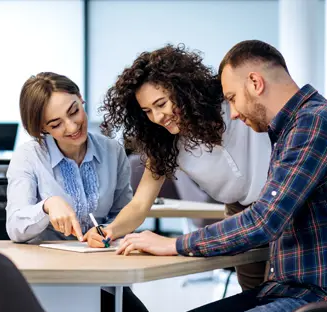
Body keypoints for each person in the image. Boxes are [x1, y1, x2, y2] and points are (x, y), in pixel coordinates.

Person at [115, 40, 327, 312]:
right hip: (292, 287)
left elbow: (265, 220)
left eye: (231, 97)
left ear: (255, 82)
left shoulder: (312, 125)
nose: (232, 113)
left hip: (325, 297)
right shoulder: (292, 127)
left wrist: (175, 244)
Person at [87, 44, 272, 291]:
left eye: (161, 103)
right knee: (254, 297)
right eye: (147, 111)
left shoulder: (232, 105)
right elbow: (140, 204)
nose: (157, 117)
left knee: (286, 296)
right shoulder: (165, 143)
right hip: (238, 214)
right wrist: (107, 231)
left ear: (182, 90)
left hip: (279, 201)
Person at [5, 72, 157, 312]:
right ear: (42, 128)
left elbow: (123, 213)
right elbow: (15, 227)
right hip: (47, 280)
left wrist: (107, 231)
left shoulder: (112, 150)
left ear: (81, 99)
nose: (72, 127)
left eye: (74, 111)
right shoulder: (28, 157)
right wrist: (47, 205)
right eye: (56, 124)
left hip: (101, 275)